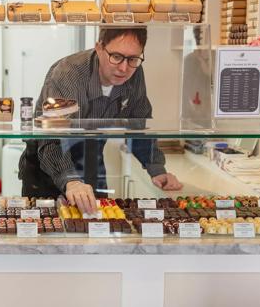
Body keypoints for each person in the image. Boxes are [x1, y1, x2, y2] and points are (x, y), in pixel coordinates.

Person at [18, 28, 182, 214]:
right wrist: (71, 180)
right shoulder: (68, 74)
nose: (124, 68)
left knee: (99, 232)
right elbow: (52, 140)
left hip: (92, 163)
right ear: (99, 48)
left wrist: (156, 168)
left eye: (133, 59)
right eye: (117, 57)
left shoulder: (134, 72)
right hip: (46, 170)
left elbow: (137, 124)